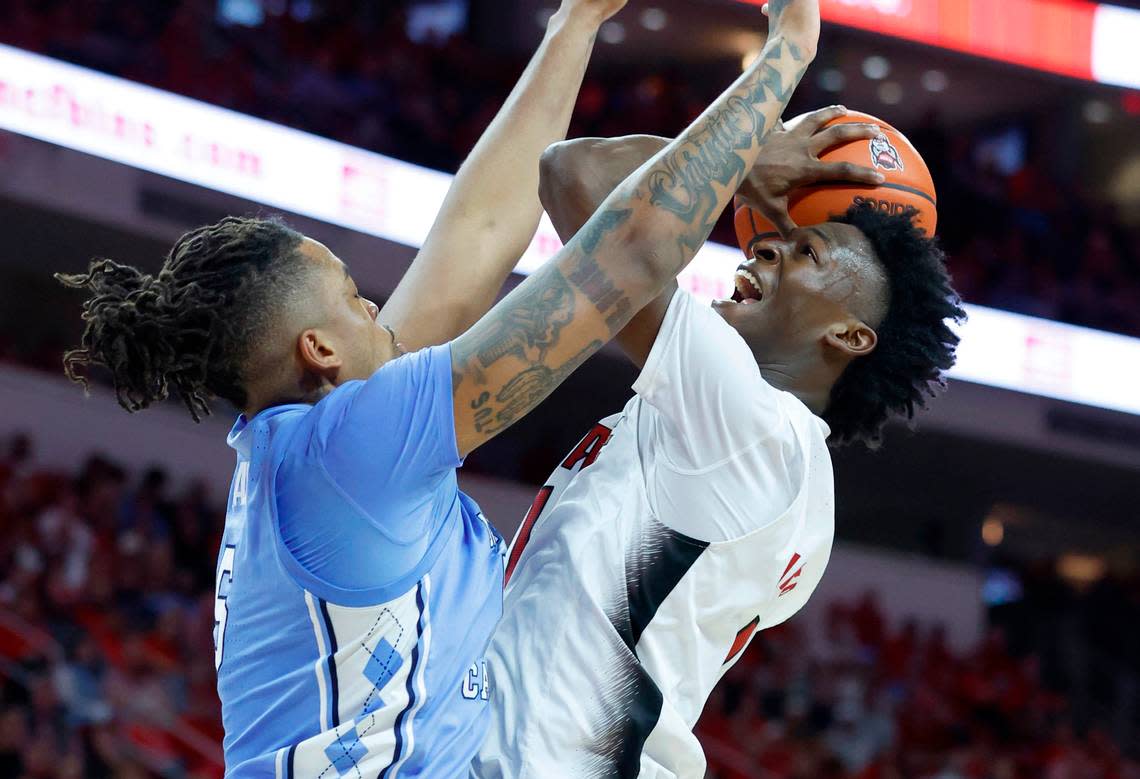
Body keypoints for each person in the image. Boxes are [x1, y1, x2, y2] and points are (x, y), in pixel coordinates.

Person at [54, 0, 824, 775]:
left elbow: (479, 233)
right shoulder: (352, 446)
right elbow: (626, 256)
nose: (375, 306)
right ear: (318, 348)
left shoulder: (318, 438)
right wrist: (783, 60)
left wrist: (575, 24)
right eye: (353, 294)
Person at [471, 107, 966, 777]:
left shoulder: (754, 428)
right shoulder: (778, 470)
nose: (762, 246)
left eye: (807, 251)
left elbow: (573, 172)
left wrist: (742, 164)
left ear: (850, 335)